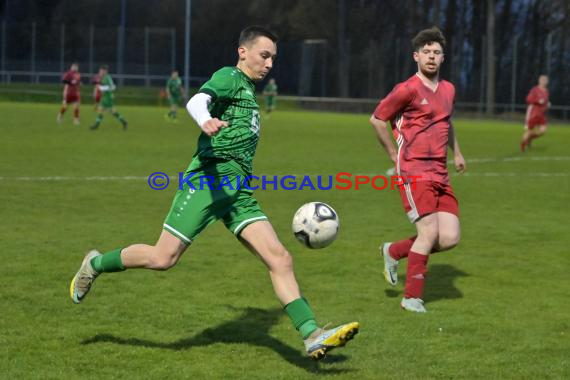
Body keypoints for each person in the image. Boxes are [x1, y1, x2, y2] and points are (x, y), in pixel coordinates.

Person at [70, 26, 358, 360]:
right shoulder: (230, 77)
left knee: (280, 258)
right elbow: (197, 100)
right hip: (208, 181)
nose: (269, 64)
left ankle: (311, 334)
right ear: (243, 52)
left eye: (273, 58)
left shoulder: (249, 91)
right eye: (264, 55)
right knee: (163, 258)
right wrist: (205, 120)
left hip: (237, 190)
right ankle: (95, 263)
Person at [369, 26, 466, 313]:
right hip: (413, 170)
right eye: (426, 52)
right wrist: (392, 153)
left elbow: (446, 122)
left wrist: (457, 152)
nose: (432, 57)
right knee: (427, 234)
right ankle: (411, 298)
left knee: (449, 238)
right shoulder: (407, 89)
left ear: (443, 57)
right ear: (416, 56)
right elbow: (376, 119)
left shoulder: (448, 89)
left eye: (436, 52)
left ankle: (394, 251)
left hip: (440, 172)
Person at [90, 65, 128, 130]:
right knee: (112, 112)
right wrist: (97, 85)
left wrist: (101, 87)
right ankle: (124, 122)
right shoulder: (103, 78)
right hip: (105, 96)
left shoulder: (107, 77)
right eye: (100, 71)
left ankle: (96, 125)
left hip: (108, 97)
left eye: (101, 71)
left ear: (105, 71)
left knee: (104, 111)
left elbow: (112, 87)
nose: (100, 72)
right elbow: (100, 85)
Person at [520, 75, 550, 152]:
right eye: (542, 80)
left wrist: (547, 104)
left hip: (541, 114)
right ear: (539, 81)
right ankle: (523, 144)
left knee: (543, 131)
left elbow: (544, 102)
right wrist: (538, 100)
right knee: (529, 131)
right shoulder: (535, 90)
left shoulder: (546, 91)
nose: (544, 81)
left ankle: (529, 139)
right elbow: (528, 99)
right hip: (533, 113)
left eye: (545, 80)